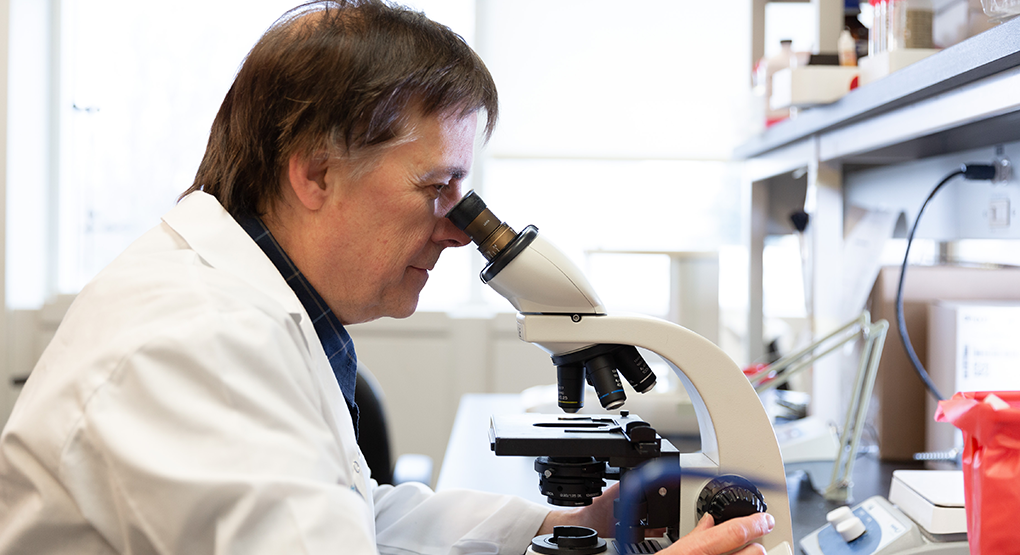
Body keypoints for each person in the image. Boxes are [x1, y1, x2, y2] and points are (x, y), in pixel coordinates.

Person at [0, 1, 775, 553]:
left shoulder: (258, 305)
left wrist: (563, 528)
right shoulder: (199, 344)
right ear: (315, 171)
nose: (454, 227)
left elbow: (354, 515)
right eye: (436, 188)